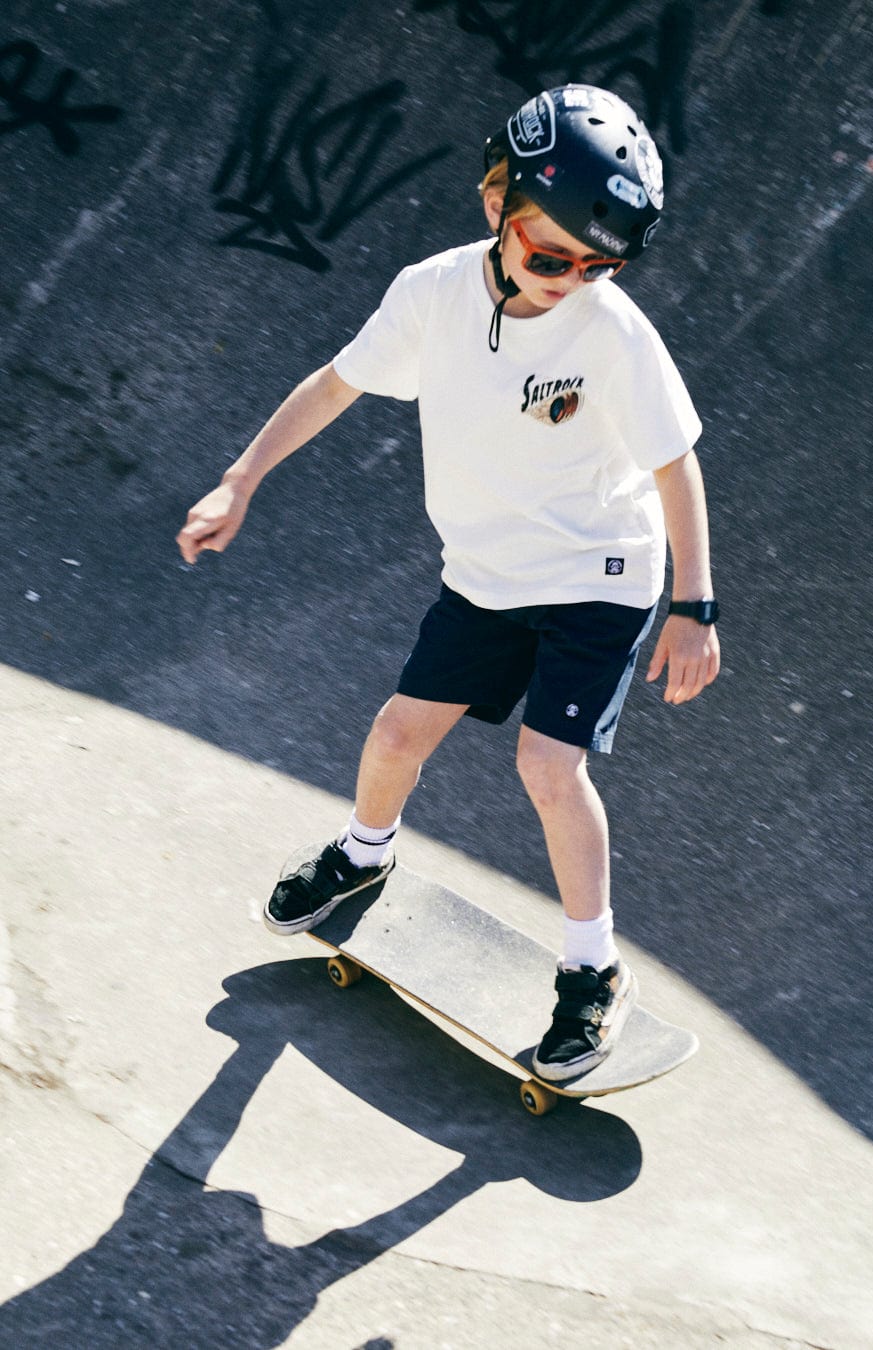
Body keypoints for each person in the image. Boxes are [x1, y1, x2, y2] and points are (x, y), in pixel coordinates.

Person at [177, 84, 720, 1082]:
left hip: (601, 578)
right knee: (394, 733)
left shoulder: (613, 334)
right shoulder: (430, 295)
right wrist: (241, 479)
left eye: (596, 264)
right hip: (487, 576)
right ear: (493, 203)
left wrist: (694, 606)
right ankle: (364, 852)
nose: (569, 281)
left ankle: (594, 972)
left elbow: (674, 462)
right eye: (548, 256)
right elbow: (337, 382)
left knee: (549, 768)